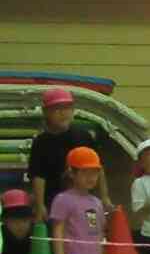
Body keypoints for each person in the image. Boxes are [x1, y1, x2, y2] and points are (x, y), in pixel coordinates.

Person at [28, 87, 105, 223]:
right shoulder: (41, 142)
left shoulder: (83, 137)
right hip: (54, 202)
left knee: (90, 230)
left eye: (67, 108)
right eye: (57, 109)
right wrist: (40, 205)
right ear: (46, 112)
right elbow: (38, 176)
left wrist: (104, 197)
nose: (63, 113)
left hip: (85, 200)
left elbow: (99, 169)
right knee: (59, 234)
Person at [49, 146, 107, 254]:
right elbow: (58, 229)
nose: (91, 177)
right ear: (72, 173)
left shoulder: (97, 202)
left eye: (95, 173)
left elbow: (99, 233)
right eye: (85, 172)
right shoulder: (63, 199)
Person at [1, 189, 34, 254]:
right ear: (4, 221)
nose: (20, 225)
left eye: (24, 220)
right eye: (14, 221)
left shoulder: (35, 237)